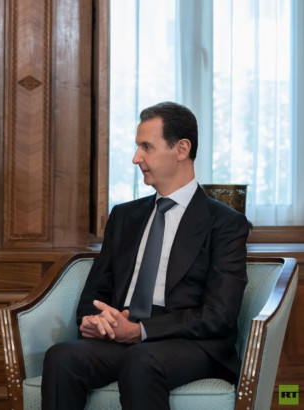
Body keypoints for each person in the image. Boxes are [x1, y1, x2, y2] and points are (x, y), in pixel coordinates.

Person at [41, 102, 249, 409]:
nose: (136, 158)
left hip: (190, 344)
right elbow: (96, 291)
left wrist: (141, 332)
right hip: (123, 335)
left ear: (181, 149)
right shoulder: (125, 216)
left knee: (141, 359)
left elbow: (219, 315)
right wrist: (94, 320)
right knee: (63, 356)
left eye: (146, 147)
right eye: (137, 147)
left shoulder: (225, 223)